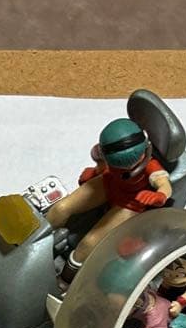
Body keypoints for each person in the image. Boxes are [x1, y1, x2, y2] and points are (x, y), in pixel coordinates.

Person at [46, 118, 173, 283]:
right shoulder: (105, 153)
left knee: (89, 243)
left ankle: (65, 280)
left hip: (130, 202)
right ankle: (37, 242)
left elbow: (164, 184)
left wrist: (160, 195)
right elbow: (103, 165)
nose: (128, 168)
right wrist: (95, 172)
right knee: (60, 208)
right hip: (108, 183)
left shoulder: (151, 165)